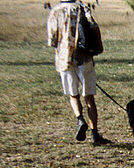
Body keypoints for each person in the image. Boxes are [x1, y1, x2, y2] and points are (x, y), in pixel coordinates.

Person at [47, 0, 109, 145]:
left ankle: (80, 119)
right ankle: (95, 134)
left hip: (64, 59)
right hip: (84, 57)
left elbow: (52, 40)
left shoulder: (55, 12)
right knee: (89, 98)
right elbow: (93, 27)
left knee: (73, 95)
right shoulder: (82, 8)